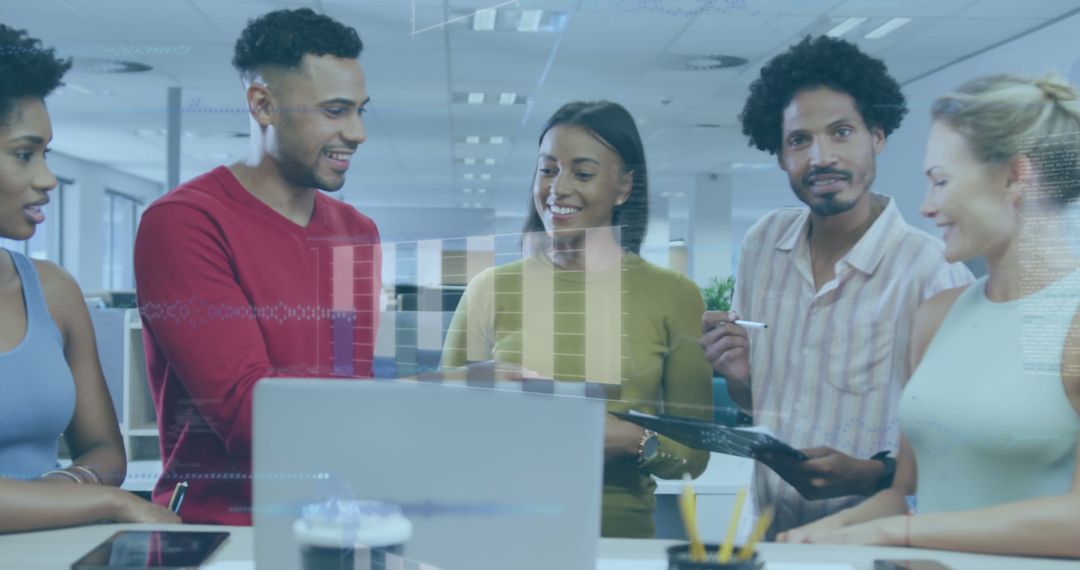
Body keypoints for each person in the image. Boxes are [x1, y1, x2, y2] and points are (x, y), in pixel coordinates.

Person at [778, 73, 1080, 558]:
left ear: (1014, 177)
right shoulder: (938, 316)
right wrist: (822, 537)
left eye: (941, 181)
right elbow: (906, 494)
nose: (927, 206)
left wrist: (899, 533)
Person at [699, 35, 973, 536]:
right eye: (799, 140)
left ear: (878, 136)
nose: (821, 157)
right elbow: (761, 402)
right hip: (769, 533)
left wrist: (871, 474)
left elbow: (961, 450)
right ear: (780, 156)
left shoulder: (931, 273)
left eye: (841, 132)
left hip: (870, 542)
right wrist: (739, 374)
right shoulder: (764, 246)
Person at [134, 8, 380, 525]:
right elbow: (253, 417)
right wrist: (428, 397)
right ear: (263, 104)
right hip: (220, 531)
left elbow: (348, 380)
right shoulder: (184, 223)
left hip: (331, 523)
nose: (356, 132)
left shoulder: (357, 233)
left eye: (360, 110)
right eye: (335, 111)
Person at [441, 101, 712, 538]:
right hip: (499, 535)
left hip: (614, 539)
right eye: (547, 170)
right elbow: (437, 431)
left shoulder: (675, 296)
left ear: (623, 186)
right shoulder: (489, 289)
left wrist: (630, 439)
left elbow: (694, 459)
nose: (557, 188)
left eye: (582, 173)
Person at [0, 24, 179, 531]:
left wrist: (67, 487)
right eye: (23, 153)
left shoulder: (52, 290)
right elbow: (113, 492)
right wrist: (110, 503)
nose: (46, 178)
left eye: (46, 154)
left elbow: (104, 450)